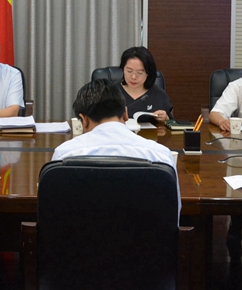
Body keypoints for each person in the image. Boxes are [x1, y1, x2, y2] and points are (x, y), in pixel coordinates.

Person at [52, 79, 180, 213]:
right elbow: (173, 214)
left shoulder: (64, 155)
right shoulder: (161, 156)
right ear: (125, 113)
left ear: (84, 120)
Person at [117, 46, 173, 121]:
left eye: (140, 73)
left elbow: (172, 124)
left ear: (148, 73)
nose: (134, 77)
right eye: (129, 71)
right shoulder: (110, 93)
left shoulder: (159, 95)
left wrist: (166, 119)